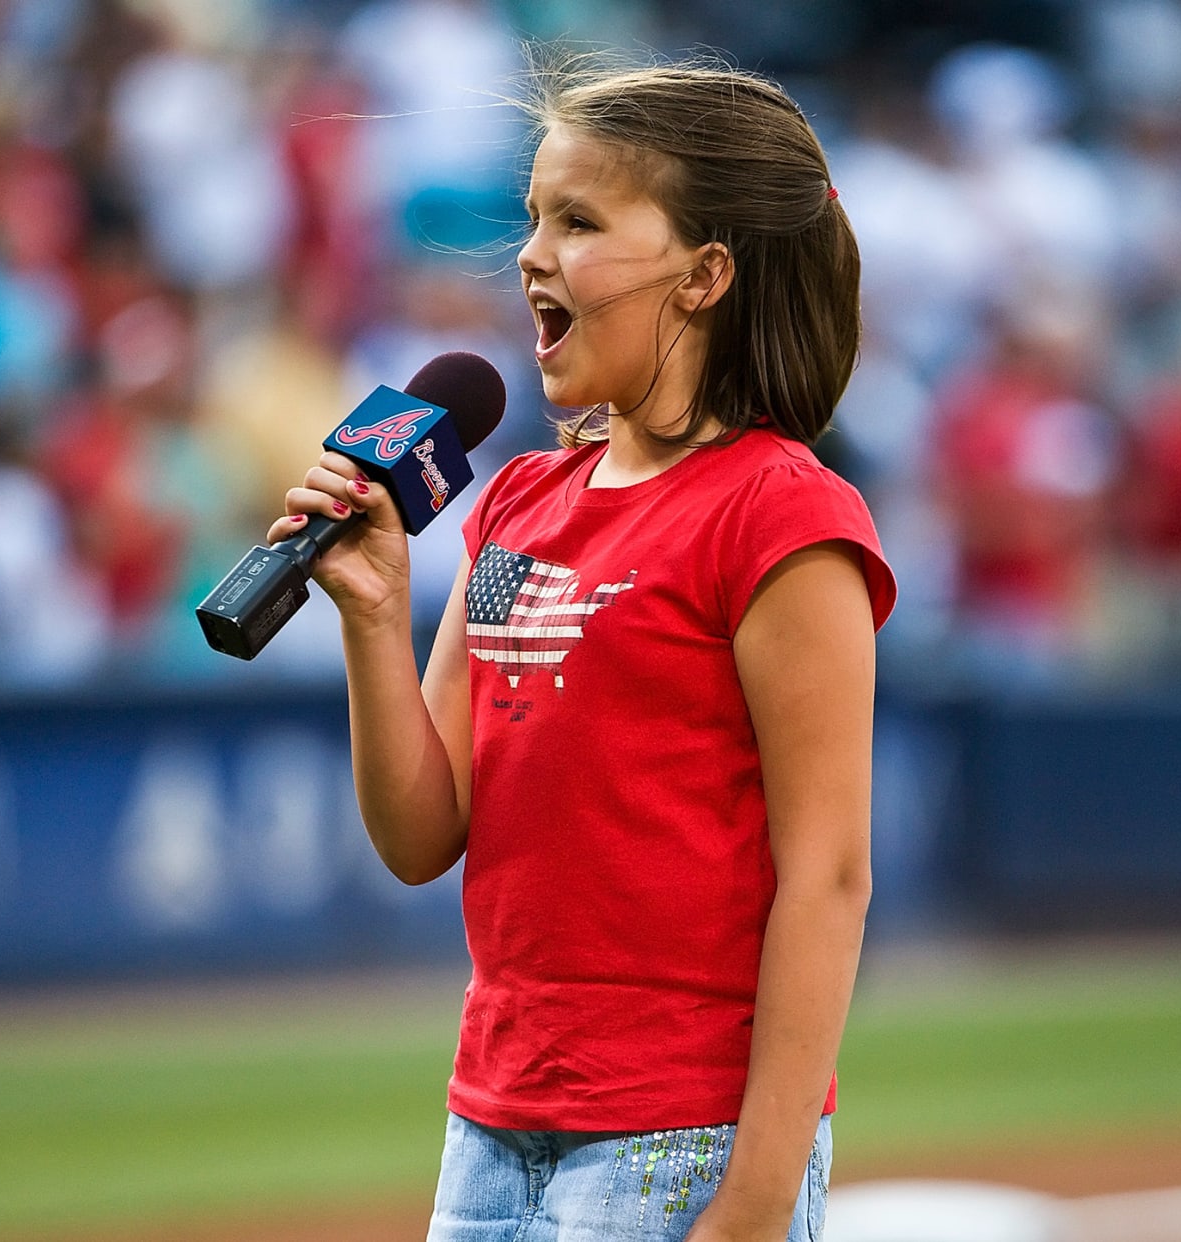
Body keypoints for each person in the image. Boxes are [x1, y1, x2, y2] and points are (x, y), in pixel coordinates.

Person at [265, 61, 895, 1242]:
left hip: (682, 1139)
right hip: (491, 1125)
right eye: (535, 216)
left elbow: (829, 877)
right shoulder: (514, 504)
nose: (530, 253)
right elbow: (420, 835)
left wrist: (758, 1197)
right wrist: (371, 616)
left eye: (581, 221)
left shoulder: (781, 515)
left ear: (707, 274)